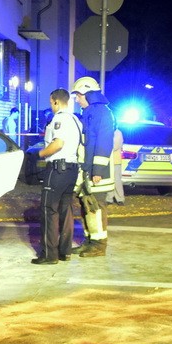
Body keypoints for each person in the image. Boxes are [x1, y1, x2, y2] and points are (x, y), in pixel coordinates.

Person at [29, 88, 82, 265]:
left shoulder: (59, 118)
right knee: (66, 211)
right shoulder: (75, 119)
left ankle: (49, 255)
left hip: (57, 169)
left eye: (51, 102)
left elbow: (58, 143)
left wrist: (41, 154)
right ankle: (64, 251)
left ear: (56, 101)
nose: (51, 105)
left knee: (48, 210)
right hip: (72, 170)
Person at [71, 76, 116, 257]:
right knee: (87, 206)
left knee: (95, 207)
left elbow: (104, 142)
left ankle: (98, 246)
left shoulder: (102, 113)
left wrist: (97, 171)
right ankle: (90, 241)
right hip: (87, 170)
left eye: (79, 95)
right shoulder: (91, 112)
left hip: (97, 172)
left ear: (88, 95)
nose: (76, 99)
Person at [104, 127, 125, 205]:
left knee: (117, 180)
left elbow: (115, 146)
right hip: (110, 160)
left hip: (115, 160)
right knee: (110, 180)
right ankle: (109, 198)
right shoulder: (109, 131)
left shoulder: (117, 132)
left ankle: (120, 198)